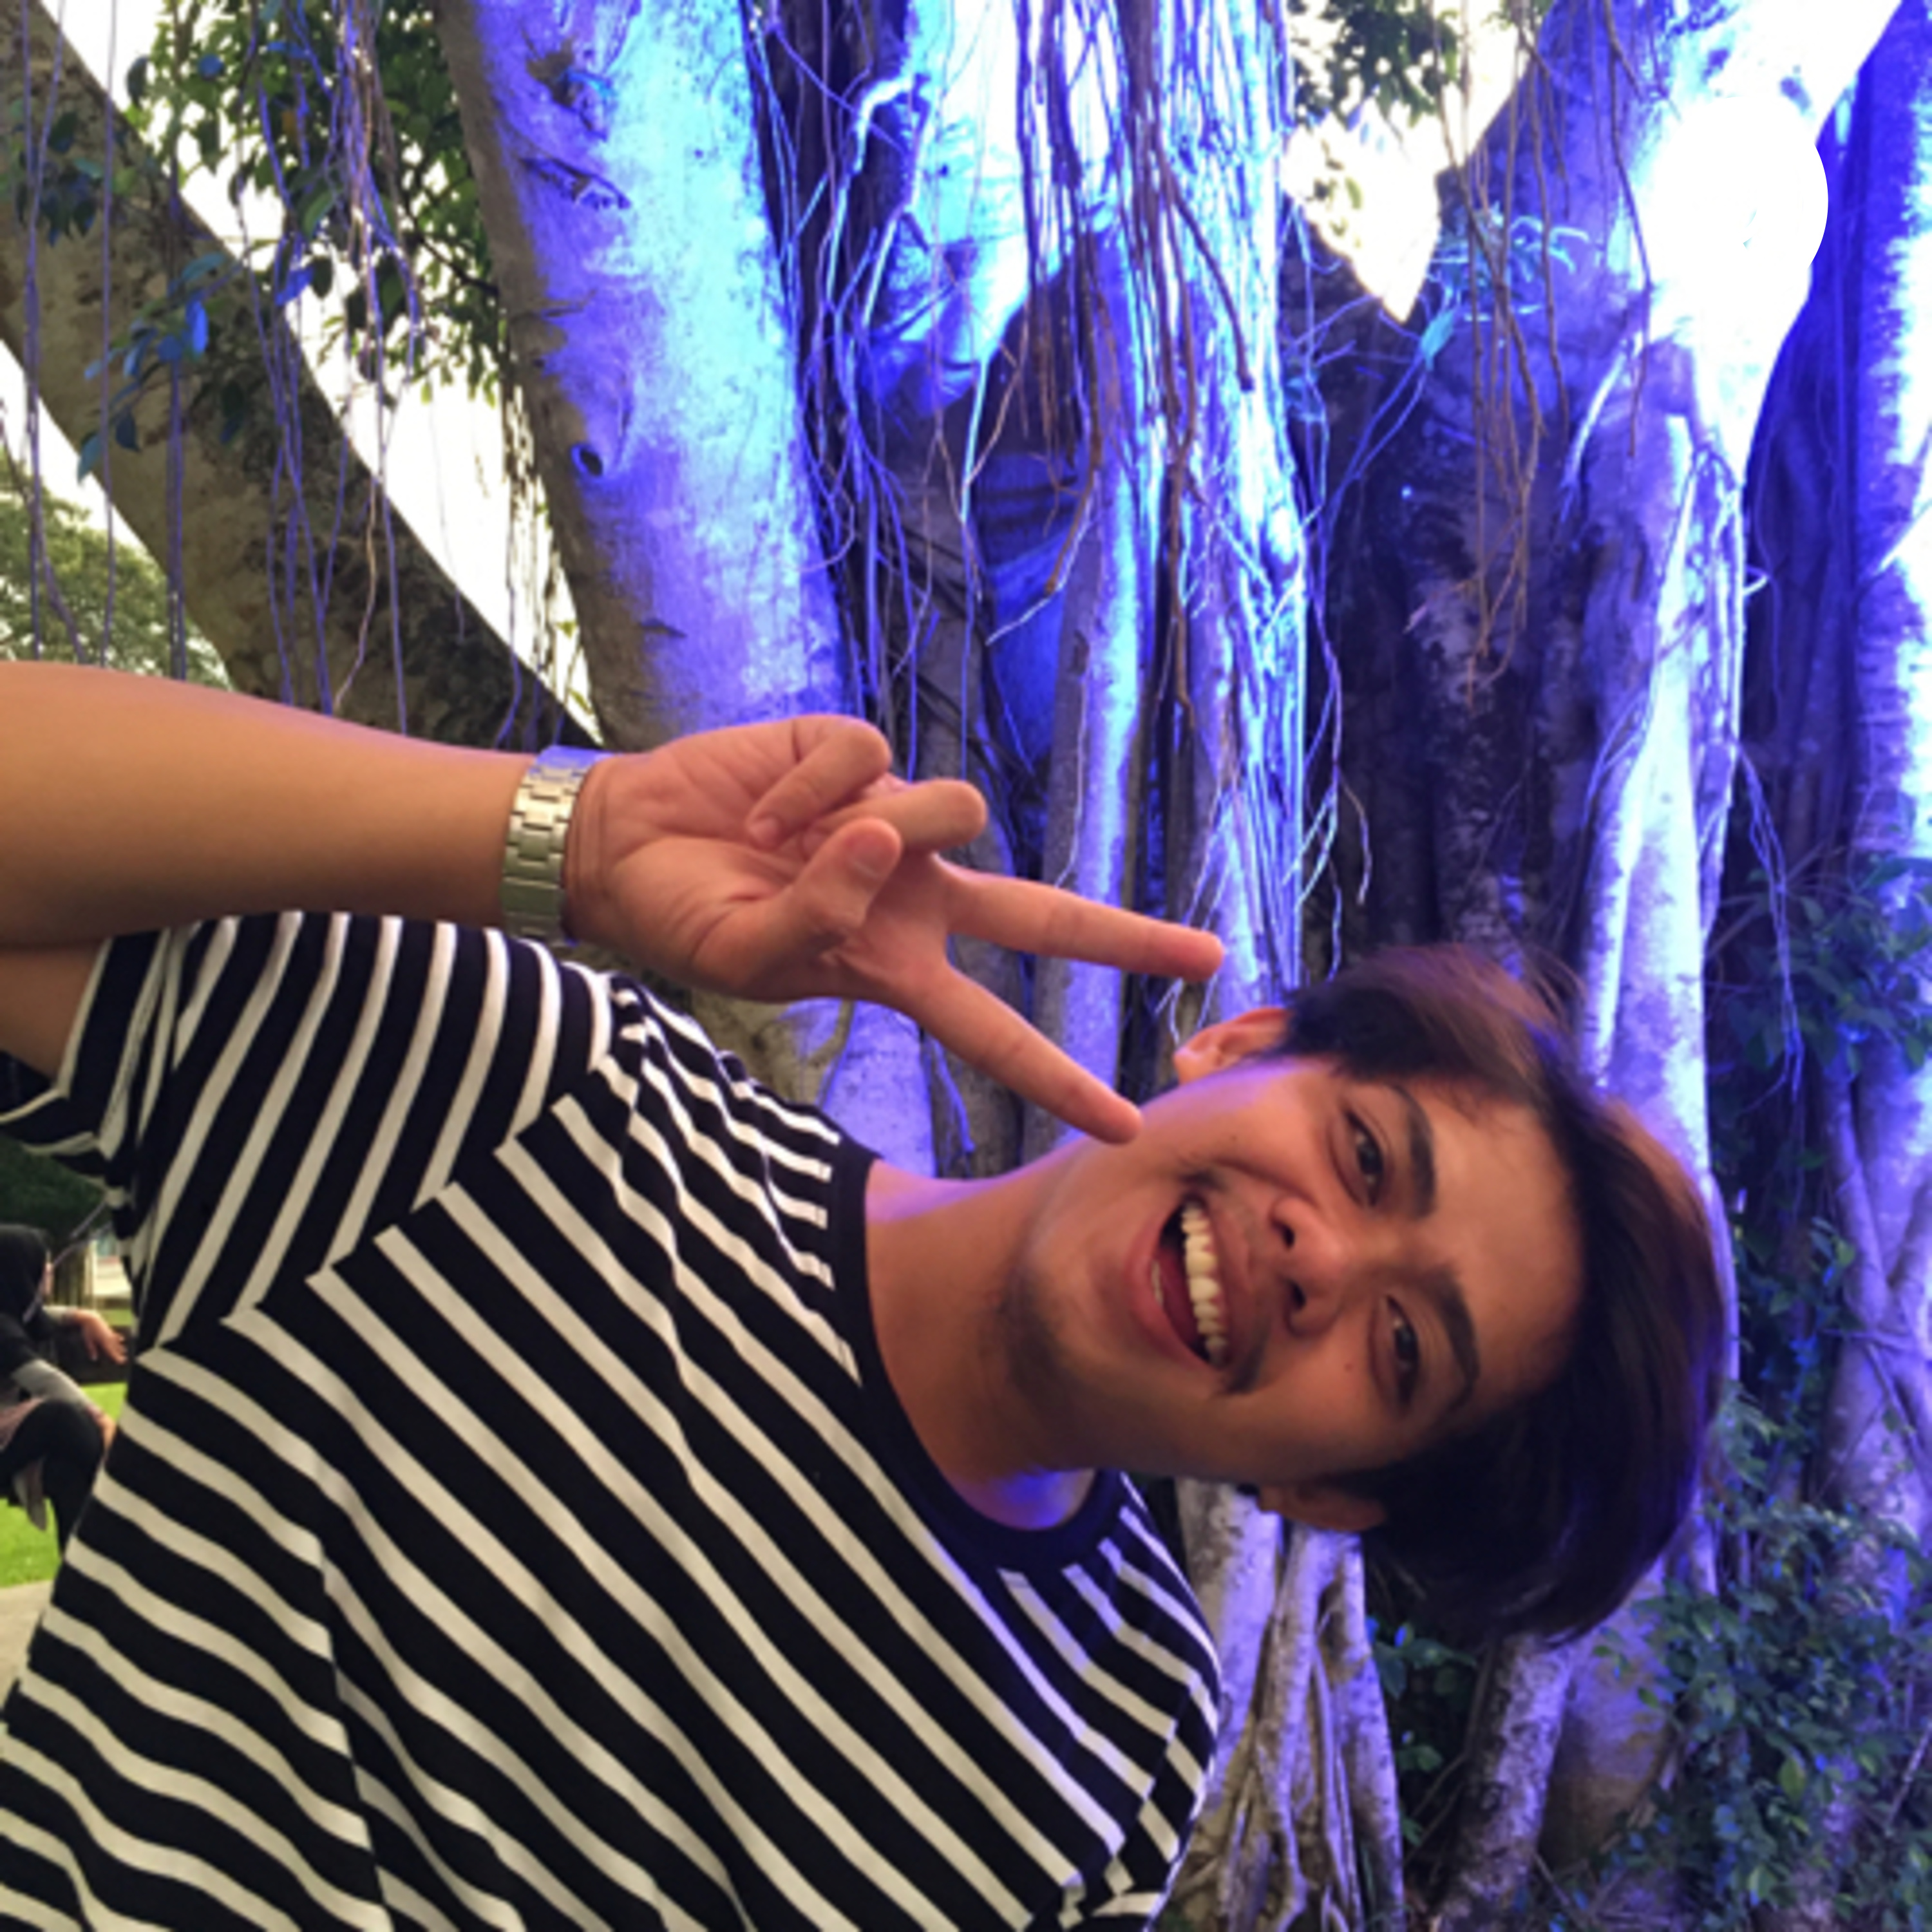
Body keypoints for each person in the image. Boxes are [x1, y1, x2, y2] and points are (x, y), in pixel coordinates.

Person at [0, 663, 1723, 1929]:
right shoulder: (546, 1110)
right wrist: (580, 842)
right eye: (1362, 1156)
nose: (1319, 1259)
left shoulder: (1117, 1743)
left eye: (1403, 1348)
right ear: (1242, 1043)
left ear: (1328, 1491)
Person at [0, 1224, 122, 1551]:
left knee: (65, 1474)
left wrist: (82, 1316)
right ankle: (124, 1483)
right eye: (43, 1264)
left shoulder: (12, 1312)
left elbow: (40, 1317)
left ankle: (84, 1569)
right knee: (62, 1416)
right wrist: (103, 1420)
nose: (50, 1270)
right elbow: (43, 1379)